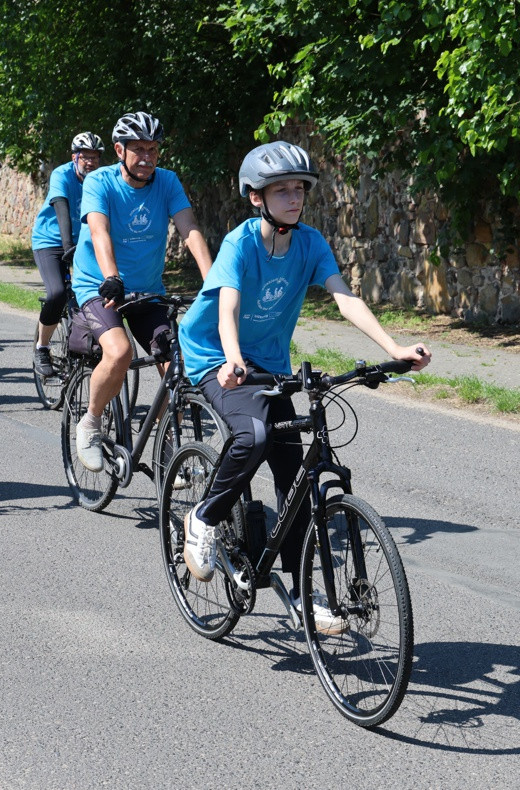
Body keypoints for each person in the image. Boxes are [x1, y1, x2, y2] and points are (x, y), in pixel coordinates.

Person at [177, 140, 431, 627]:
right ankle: (204, 517)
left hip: (270, 361)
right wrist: (231, 358)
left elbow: (344, 298)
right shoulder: (241, 243)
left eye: (300, 189)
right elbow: (227, 303)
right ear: (256, 197)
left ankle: (301, 594)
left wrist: (393, 349)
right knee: (251, 435)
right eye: (282, 190)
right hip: (215, 355)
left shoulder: (311, 243)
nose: (294, 198)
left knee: (294, 476)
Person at [70, 111, 213, 472]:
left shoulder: (167, 182)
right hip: (98, 285)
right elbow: (99, 232)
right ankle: (90, 423)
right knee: (118, 353)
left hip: (147, 290)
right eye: (139, 150)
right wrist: (112, 277)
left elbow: (189, 229)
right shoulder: (99, 182)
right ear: (119, 150)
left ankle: (167, 446)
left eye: (153, 149)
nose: (148, 157)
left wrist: (214, 281)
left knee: (176, 366)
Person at [31, 131, 104, 376]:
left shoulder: (101, 180)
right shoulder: (61, 175)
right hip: (50, 241)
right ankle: (42, 347)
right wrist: (66, 246)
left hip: (83, 242)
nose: (91, 162)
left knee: (99, 295)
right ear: (75, 157)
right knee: (58, 292)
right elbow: (61, 208)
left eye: (95, 157)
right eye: (86, 157)